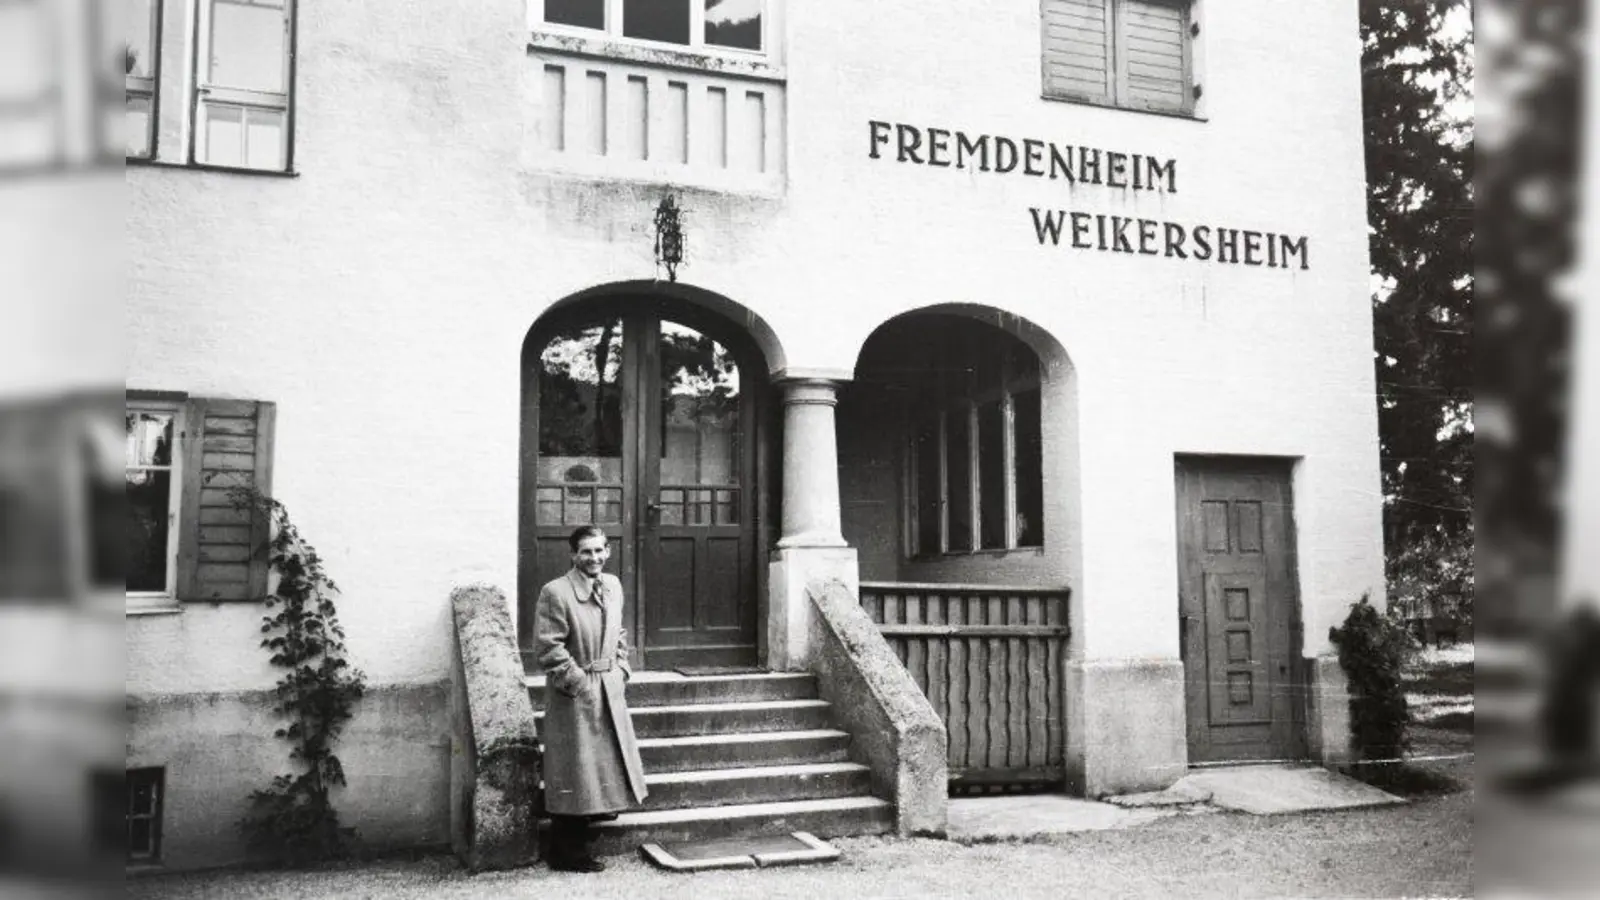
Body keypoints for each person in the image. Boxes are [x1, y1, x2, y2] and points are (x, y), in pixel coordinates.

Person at [533, 525, 648, 872]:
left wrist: (621, 669)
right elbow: (548, 647)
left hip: (608, 688)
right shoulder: (555, 592)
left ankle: (580, 841)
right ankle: (567, 852)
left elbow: (619, 632)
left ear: (608, 552)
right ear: (573, 554)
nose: (593, 558)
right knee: (575, 770)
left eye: (599, 550)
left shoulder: (613, 585)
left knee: (601, 766)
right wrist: (579, 683)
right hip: (575, 694)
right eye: (586, 551)